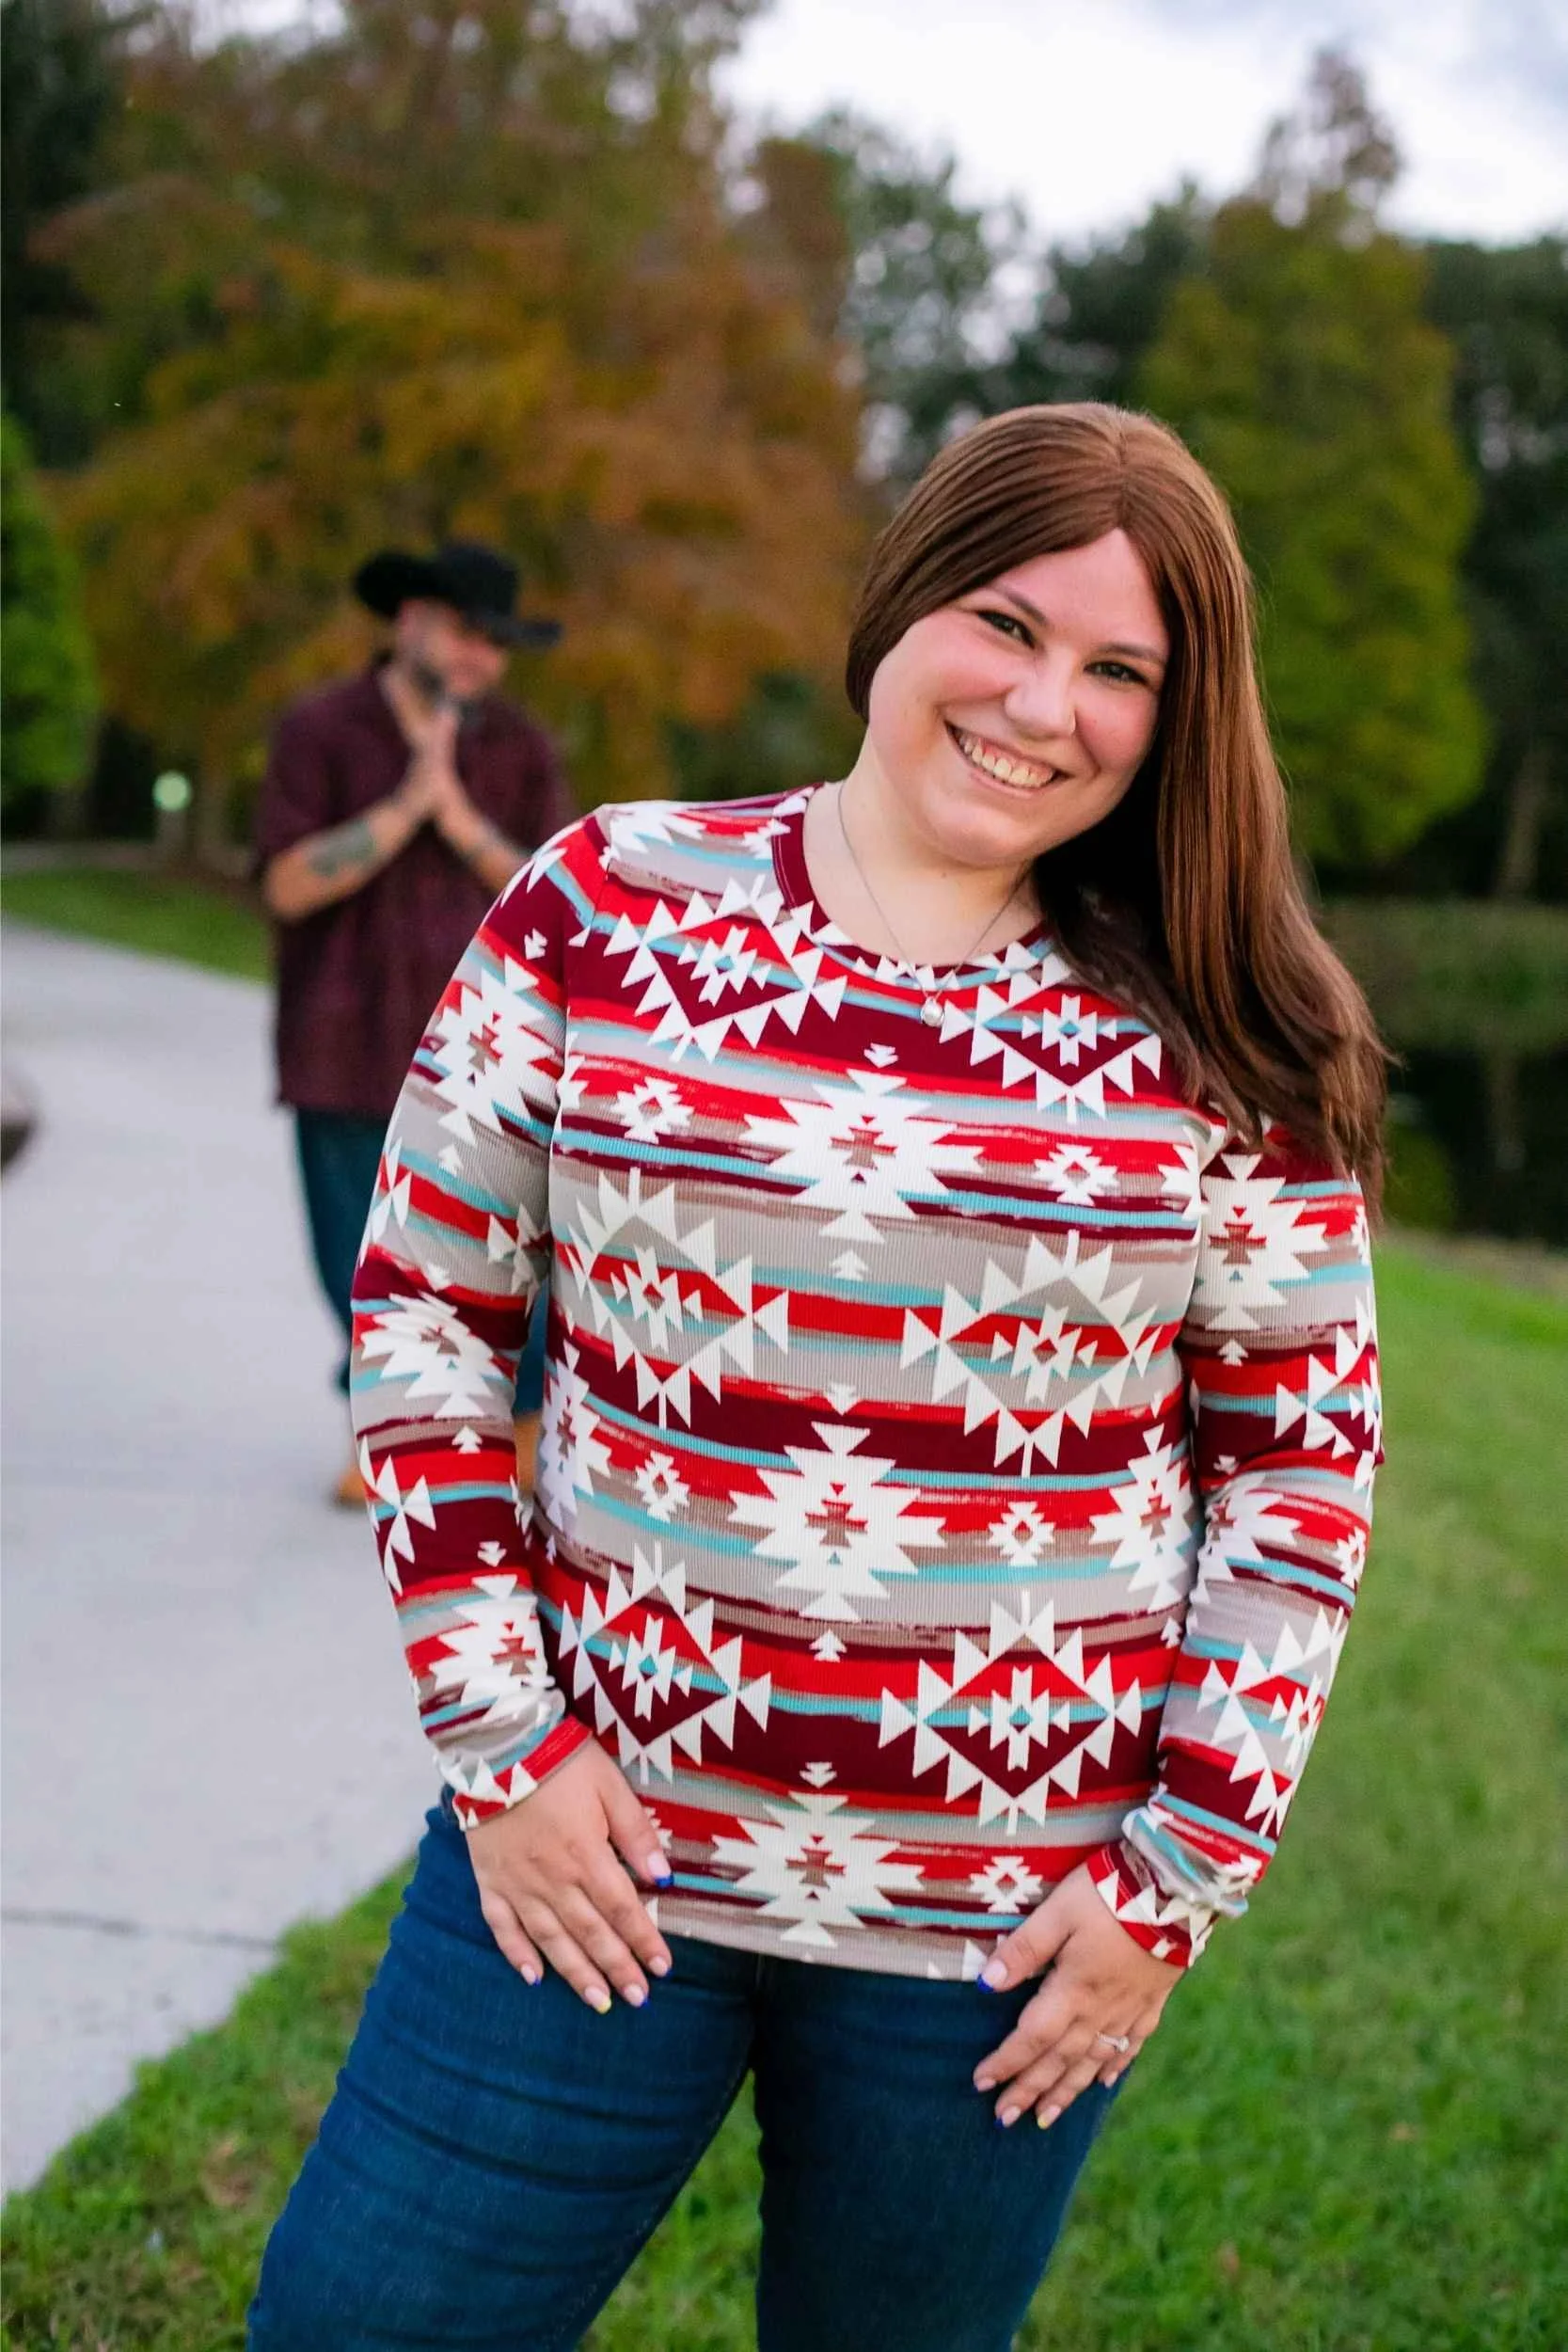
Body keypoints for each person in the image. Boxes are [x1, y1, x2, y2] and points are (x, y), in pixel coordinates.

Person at [250, 405, 1386, 2352]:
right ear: (900, 597)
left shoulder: (1212, 1026)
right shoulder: (609, 901)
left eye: (1118, 669)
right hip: (584, 1868)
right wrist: (503, 1746)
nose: (1044, 702)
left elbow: (1294, 1480)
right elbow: (426, 1318)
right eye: (1005, 623)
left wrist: (1171, 1883)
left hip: (997, 1938)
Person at [254, 540, 572, 1504]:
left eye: (497, 643)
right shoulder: (320, 731)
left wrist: (460, 814)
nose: (481, 659)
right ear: (410, 623)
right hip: (340, 1044)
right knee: (357, 1254)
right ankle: (390, 1432)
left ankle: (513, 1431)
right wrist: (404, 805)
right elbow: (284, 885)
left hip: (491, 1054)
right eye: (468, 634)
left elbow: (560, 897)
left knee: (509, 1253)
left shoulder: (518, 748)